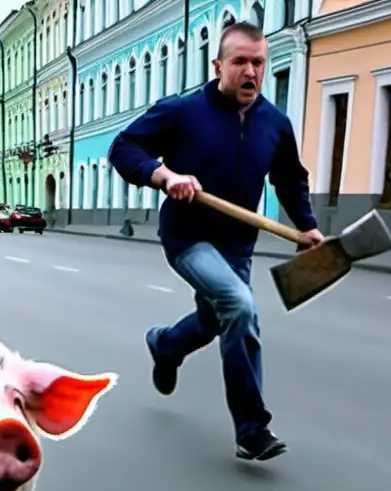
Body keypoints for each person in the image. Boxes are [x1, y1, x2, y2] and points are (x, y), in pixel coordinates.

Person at [108, 21, 325, 461]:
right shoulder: (182, 112)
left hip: (238, 244)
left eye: (258, 62)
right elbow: (123, 148)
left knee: (216, 319)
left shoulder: (274, 123)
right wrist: (165, 175)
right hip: (189, 238)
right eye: (240, 61)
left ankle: (165, 344)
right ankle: (251, 428)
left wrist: (308, 225)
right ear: (219, 65)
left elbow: (289, 178)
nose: (251, 72)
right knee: (240, 306)